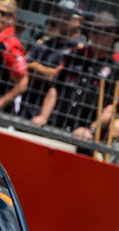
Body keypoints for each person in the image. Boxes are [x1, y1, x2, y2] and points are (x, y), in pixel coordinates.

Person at [36, 11, 118, 151]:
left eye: (105, 32)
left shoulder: (116, 67)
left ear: (113, 37)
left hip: (86, 139)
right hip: (56, 128)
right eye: (95, 31)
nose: (98, 36)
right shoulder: (75, 55)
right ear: (90, 33)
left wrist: (91, 130)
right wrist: (43, 116)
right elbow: (55, 87)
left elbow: (112, 106)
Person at [22, 0, 85, 125]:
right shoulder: (46, 43)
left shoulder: (80, 50)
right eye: (58, 15)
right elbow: (23, 66)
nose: (60, 19)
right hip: (26, 107)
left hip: (53, 118)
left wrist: (35, 67)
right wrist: (40, 70)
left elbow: (56, 77)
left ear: (78, 21)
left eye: (66, 17)